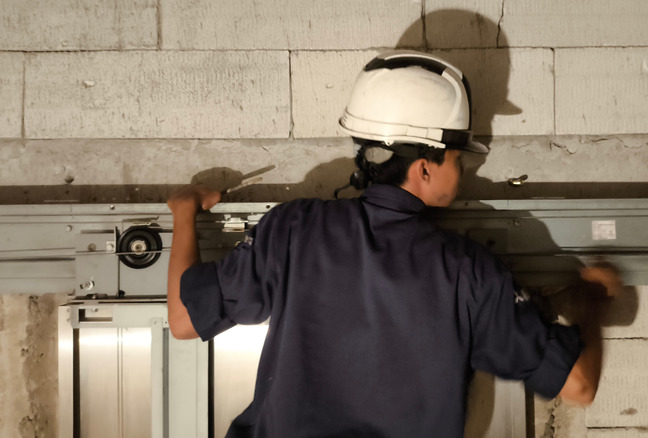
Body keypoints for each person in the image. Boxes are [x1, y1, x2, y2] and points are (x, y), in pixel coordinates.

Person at [167, 50, 620, 437]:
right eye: (458, 159)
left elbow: (185, 321)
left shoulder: (294, 229)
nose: (462, 172)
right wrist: (594, 301)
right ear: (424, 168)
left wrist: (184, 214)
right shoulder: (467, 272)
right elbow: (579, 386)